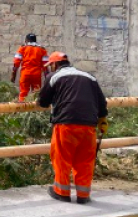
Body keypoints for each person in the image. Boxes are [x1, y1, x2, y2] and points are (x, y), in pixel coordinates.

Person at [38, 52, 108, 204]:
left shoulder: (54, 77)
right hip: (89, 126)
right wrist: (102, 119)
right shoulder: (90, 77)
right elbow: (102, 104)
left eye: (51, 66)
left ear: (54, 65)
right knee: (85, 160)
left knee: (62, 158)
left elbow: (42, 102)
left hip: (66, 124)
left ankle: (61, 192)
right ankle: (83, 195)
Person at [11, 34, 48, 102]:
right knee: (36, 93)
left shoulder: (22, 48)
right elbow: (45, 65)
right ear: (35, 40)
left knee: (23, 93)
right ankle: (35, 109)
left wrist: (13, 75)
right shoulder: (42, 49)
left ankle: (22, 108)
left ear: (26, 40)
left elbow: (16, 63)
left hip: (25, 74)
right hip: (36, 75)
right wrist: (47, 78)